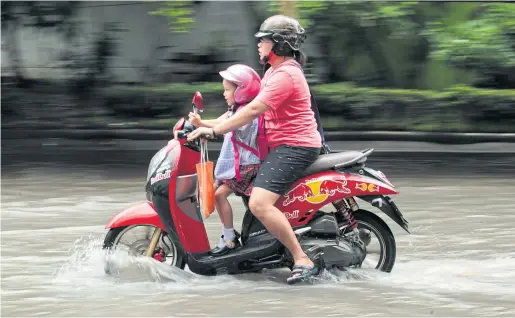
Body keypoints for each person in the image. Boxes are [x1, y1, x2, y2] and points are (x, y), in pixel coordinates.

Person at [188, 15, 323, 284]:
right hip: (280, 146)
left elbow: (252, 110)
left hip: (294, 147)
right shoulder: (274, 72)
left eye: (264, 39)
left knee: (260, 203)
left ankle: (302, 259)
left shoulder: (286, 74)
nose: (259, 44)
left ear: (280, 44)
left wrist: (214, 131)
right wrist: (204, 124)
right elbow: (240, 108)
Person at [188, 64, 262, 256]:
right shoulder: (236, 110)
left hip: (247, 166)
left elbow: (225, 125)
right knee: (213, 192)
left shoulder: (246, 113)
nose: (224, 94)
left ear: (242, 91)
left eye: (227, 90)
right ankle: (228, 233)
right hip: (239, 165)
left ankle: (228, 238)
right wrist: (200, 124)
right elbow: (222, 121)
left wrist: (206, 128)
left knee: (218, 195)